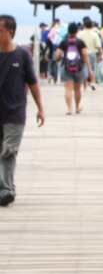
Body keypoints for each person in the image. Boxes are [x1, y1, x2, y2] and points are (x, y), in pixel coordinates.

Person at [0, 14, 46, 206]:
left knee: (8, 151)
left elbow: (33, 82)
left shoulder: (22, 55)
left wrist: (40, 108)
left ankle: (6, 190)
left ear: (10, 32)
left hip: (15, 111)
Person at [55, 22, 89, 114]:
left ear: (68, 31)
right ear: (77, 31)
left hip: (66, 67)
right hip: (79, 67)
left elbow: (57, 54)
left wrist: (63, 58)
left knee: (68, 89)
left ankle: (69, 109)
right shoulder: (80, 42)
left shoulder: (64, 42)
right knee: (77, 89)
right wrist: (90, 68)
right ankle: (77, 107)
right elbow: (85, 55)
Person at [77, 17, 103, 90]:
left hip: (82, 53)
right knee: (92, 68)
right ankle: (92, 82)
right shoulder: (94, 34)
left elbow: (77, 43)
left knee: (84, 68)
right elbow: (98, 46)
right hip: (92, 53)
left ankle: (85, 85)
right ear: (92, 25)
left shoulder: (80, 34)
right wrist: (100, 55)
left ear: (84, 25)